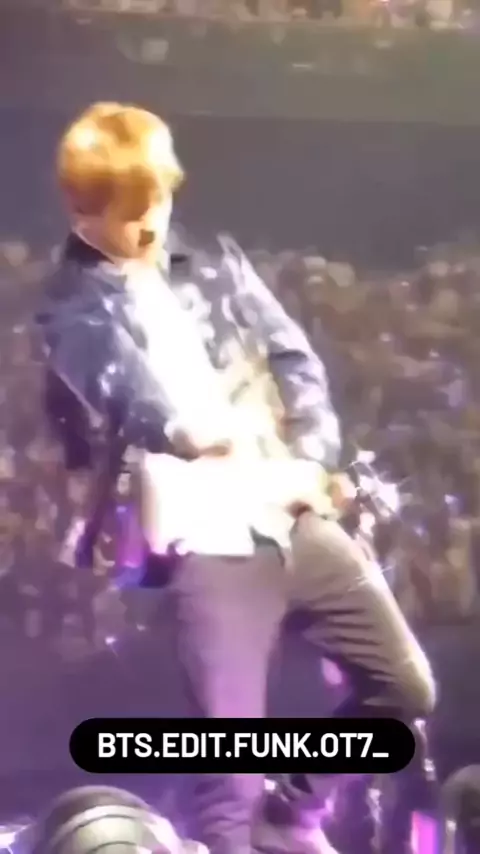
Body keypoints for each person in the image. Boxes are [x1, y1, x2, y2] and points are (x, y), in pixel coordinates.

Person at [37, 103, 436, 854]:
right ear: (83, 210)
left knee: (403, 686)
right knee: (230, 770)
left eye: (160, 202)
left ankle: (293, 811)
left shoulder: (213, 262)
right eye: (132, 212)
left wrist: (313, 454)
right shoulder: (70, 302)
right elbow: (113, 379)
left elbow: (292, 356)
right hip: (206, 540)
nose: (153, 225)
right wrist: (183, 430)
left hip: (286, 514)